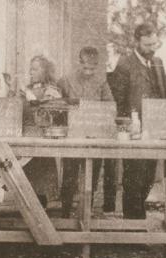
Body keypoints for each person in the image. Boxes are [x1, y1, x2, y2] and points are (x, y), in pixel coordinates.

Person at [109, 23, 166, 219]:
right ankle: (132, 226)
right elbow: (118, 100)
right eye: (148, 44)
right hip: (134, 131)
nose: (152, 48)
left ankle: (139, 222)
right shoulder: (125, 64)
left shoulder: (158, 63)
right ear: (137, 42)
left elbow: (164, 95)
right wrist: (127, 127)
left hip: (154, 132)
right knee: (134, 178)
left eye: (154, 44)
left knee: (149, 178)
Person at [57, 46, 116, 217]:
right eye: (85, 68)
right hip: (73, 137)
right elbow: (55, 101)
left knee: (92, 177)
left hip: (94, 137)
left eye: (92, 68)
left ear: (97, 66)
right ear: (78, 62)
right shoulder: (66, 80)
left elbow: (111, 106)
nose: (89, 72)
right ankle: (65, 213)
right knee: (69, 176)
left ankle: (86, 213)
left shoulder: (101, 82)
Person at [20, 55, 63, 207]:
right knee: (25, 182)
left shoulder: (52, 91)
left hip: (42, 139)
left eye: (35, 69)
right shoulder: (25, 90)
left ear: (45, 71)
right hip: (25, 138)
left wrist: (35, 101)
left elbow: (53, 113)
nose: (31, 72)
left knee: (41, 183)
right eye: (30, 69)